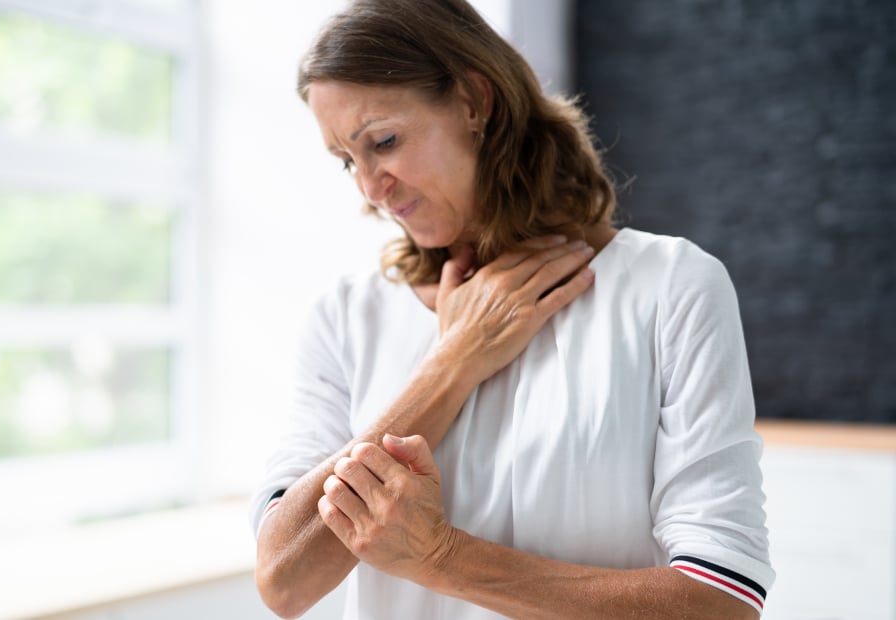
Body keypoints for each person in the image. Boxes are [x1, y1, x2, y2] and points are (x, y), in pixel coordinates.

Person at [249, 1, 774, 619]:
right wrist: (452, 364)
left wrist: (439, 556)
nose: (369, 187)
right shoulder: (346, 317)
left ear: (474, 100)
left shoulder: (671, 288)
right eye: (346, 159)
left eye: (384, 141)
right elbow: (284, 581)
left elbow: (721, 602)